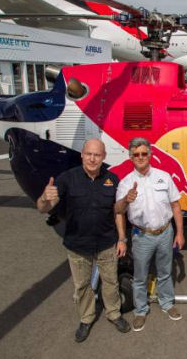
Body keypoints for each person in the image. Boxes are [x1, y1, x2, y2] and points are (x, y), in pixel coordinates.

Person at [36, 138, 130, 343]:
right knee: (82, 285)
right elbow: (44, 208)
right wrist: (45, 198)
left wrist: (122, 238)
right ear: (82, 155)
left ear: (103, 157)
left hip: (106, 243)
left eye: (97, 155)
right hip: (77, 245)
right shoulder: (67, 179)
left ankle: (113, 313)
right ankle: (86, 318)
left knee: (111, 281)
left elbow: (118, 212)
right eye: (89, 154)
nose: (92, 159)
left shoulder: (112, 179)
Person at [115, 137, 185, 332]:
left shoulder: (164, 177)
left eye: (144, 153)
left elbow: (176, 206)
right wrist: (126, 200)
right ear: (130, 157)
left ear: (150, 155)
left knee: (165, 272)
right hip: (141, 236)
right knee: (140, 277)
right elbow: (118, 211)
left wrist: (179, 233)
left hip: (165, 233)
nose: (140, 157)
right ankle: (140, 311)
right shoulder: (126, 183)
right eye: (136, 154)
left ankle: (167, 303)